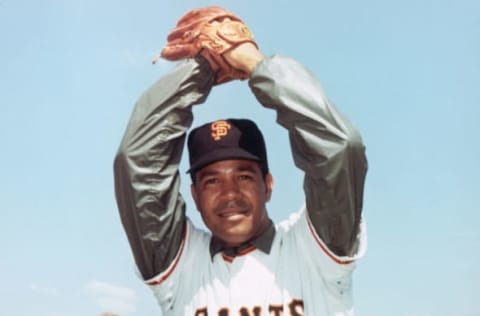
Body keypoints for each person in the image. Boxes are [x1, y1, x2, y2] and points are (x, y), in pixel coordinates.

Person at [114, 7, 367, 316]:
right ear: (194, 194)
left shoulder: (316, 253)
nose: (229, 193)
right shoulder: (179, 269)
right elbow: (137, 164)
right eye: (212, 181)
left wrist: (255, 64)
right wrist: (202, 67)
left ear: (268, 185)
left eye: (244, 176)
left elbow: (340, 148)